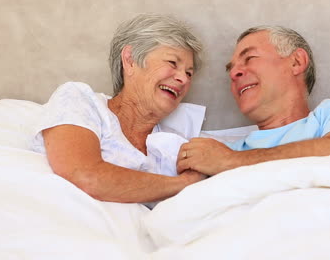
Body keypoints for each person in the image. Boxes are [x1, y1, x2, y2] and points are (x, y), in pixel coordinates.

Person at [177, 25, 330, 176]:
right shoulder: (227, 150)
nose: (234, 73)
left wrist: (231, 162)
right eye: (231, 69)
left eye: (249, 58)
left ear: (296, 62)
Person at [32, 14, 206, 204]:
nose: (184, 79)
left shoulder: (175, 145)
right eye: (173, 63)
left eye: (189, 73)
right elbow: (86, 176)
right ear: (130, 60)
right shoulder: (80, 100)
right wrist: (183, 184)